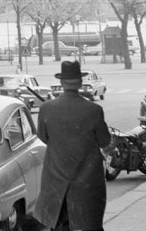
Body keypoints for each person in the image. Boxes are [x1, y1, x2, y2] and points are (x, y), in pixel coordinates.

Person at [34, 60, 111, 231]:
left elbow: (42, 137)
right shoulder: (93, 110)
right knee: (89, 225)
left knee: (59, 226)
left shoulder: (46, 108)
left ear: (61, 83)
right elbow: (105, 141)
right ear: (80, 83)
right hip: (86, 182)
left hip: (56, 180)